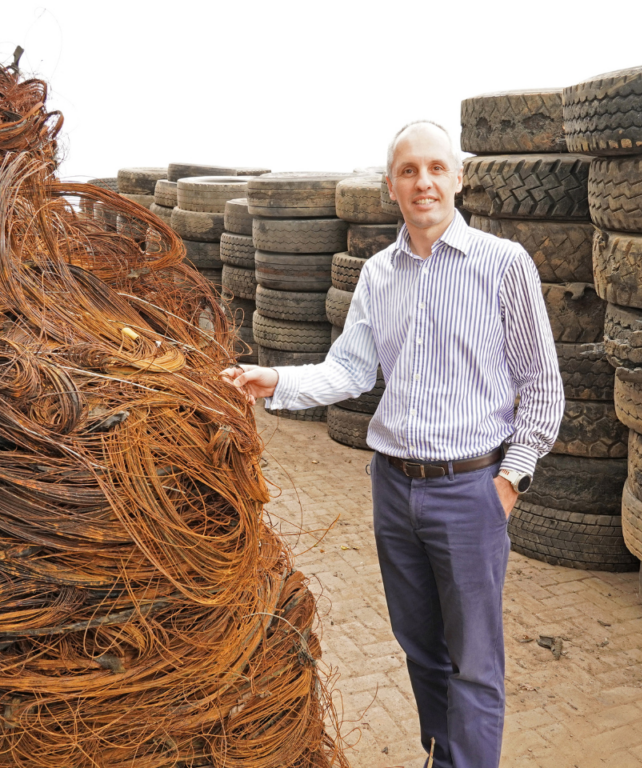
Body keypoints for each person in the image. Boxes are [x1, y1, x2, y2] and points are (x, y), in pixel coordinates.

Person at [224, 120, 564, 768]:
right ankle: (441, 756)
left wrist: (508, 482)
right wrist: (275, 381)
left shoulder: (503, 266)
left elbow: (542, 389)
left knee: (475, 660)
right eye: (408, 171)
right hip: (394, 488)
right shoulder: (379, 276)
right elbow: (350, 369)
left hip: (471, 490)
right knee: (420, 648)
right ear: (391, 187)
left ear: (459, 178)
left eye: (436, 168)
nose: (423, 182)